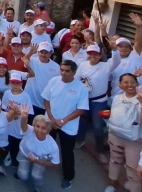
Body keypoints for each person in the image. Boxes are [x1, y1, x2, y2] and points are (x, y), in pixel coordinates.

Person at [41, 60, 88, 189]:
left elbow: (81, 109)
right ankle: (42, 164)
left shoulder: (81, 88)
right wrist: (51, 117)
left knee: (67, 152)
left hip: (68, 127)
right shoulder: (53, 81)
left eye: (67, 71)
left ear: (74, 72)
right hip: (50, 122)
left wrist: (63, 121)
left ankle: (68, 177)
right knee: (45, 145)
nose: (63, 73)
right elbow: (46, 99)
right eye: (62, 70)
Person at [74, 44, 121, 163]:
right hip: (84, 100)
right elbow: (76, 78)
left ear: (100, 56)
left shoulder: (106, 66)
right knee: (82, 122)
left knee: (98, 126)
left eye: (95, 54)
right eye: (90, 53)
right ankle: (80, 140)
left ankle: (100, 151)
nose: (92, 56)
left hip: (99, 101)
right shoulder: (83, 65)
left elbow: (117, 60)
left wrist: (114, 49)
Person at [104, 74, 142, 192]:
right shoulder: (116, 98)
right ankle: (112, 186)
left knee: (133, 169)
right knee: (114, 161)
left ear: (137, 84)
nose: (129, 85)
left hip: (136, 140)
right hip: (115, 136)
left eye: (132, 82)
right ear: (120, 85)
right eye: (125, 82)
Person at [16, 108, 60, 191]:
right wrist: (24, 118)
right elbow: (24, 126)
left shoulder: (53, 146)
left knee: (36, 176)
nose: (39, 130)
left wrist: (37, 161)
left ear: (48, 131)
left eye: (43, 128)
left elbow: (55, 164)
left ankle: (37, 187)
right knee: (23, 176)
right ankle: (25, 175)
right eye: (37, 126)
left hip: (40, 159)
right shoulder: (30, 130)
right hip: (24, 153)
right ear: (33, 126)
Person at [2, 71, 33, 171]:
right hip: (9, 123)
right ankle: (8, 155)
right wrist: (11, 112)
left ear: (21, 83)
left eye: (17, 83)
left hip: (19, 125)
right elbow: (3, 108)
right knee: (8, 141)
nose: (15, 85)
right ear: (10, 83)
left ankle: (15, 158)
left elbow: (28, 112)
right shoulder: (7, 93)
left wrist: (16, 112)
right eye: (13, 83)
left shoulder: (26, 96)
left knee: (16, 143)